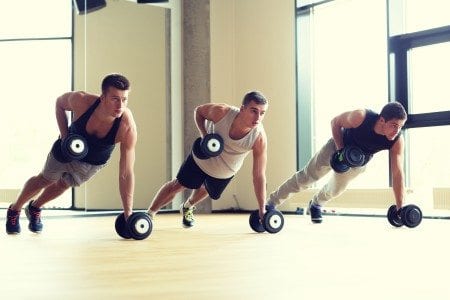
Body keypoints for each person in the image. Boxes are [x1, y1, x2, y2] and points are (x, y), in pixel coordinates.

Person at [5, 73, 137, 234]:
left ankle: (35, 207)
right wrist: (65, 135)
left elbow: (126, 173)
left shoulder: (127, 127)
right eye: (115, 99)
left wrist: (128, 212)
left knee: (64, 184)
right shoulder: (82, 101)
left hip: (94, 161)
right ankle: (15, 209)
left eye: (124, 99)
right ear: (103, 97)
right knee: (45, 179)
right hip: (67, 148)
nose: (120, 106)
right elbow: (59, 104)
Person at [266, 101, 407, 223]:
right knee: (306, 177)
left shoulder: (397, 141)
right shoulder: (361, 116)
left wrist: (400, 208)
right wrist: (341, 151)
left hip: (358, 161)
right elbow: (335, 122)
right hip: (337, 146)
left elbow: (397, 174)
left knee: (336, 189)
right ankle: (270, 203)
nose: (397, 130)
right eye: (394, 125)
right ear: (382, 120)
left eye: (400, 126)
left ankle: (316, 204)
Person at [147, 91, 268, 228]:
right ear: (242, 109)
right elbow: (198, 112)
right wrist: (204, 135)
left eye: (262, 113)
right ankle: (149, 215)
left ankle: (188, 206)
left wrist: (262, 208)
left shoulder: (258, 138)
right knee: (178, 185)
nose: (258, 117)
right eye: (254, 111)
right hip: (202, 159)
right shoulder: (222, 112)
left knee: (206, 189)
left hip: (225, 171)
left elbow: (258, 176)